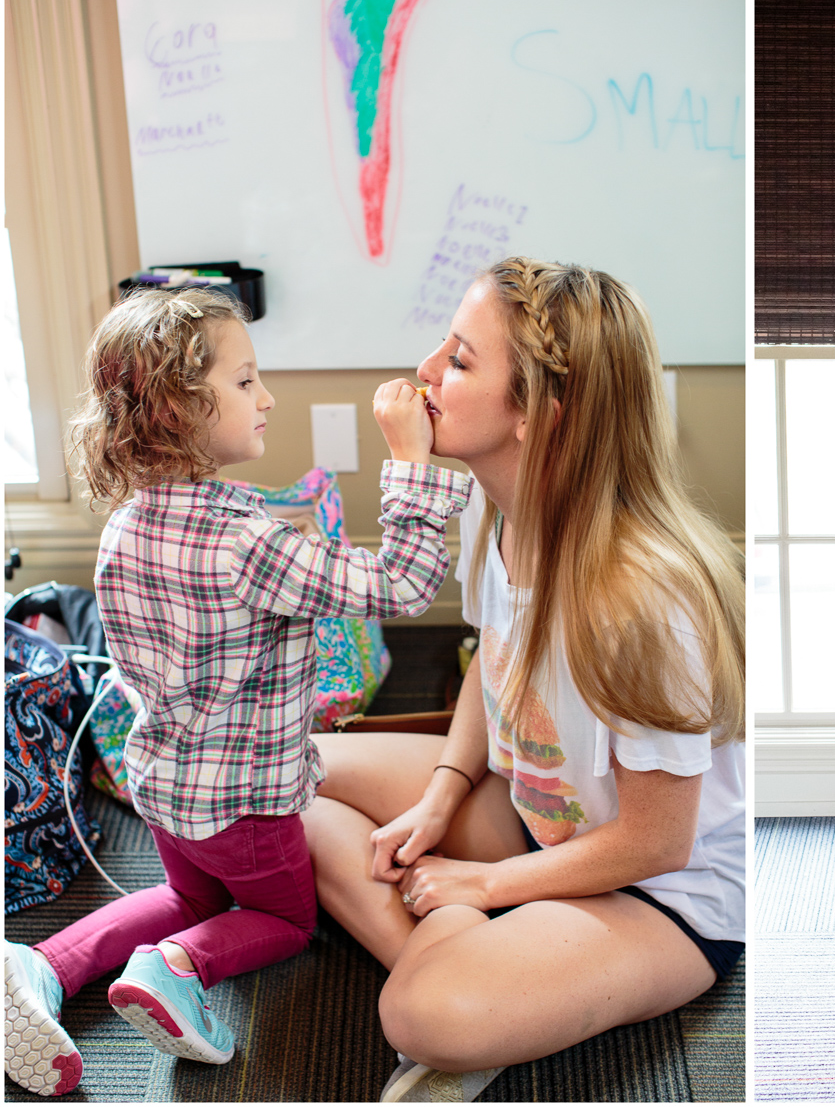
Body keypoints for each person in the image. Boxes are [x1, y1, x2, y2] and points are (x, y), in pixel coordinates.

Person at [3, 286, 470, 1097]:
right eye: (247, 380)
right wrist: (410, 462)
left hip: (166, 791)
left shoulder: (126, 523)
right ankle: (177, 966)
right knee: (285, 921)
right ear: (183, 407)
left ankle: (43, 962)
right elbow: (401, 583)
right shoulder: (249, 541)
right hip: (248, 806)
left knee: (187, 893)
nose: (268, 398)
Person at [303, 257, 746, 1102]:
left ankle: (468, 965)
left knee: (418, 1013)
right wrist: (438, 796)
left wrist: (481, 882)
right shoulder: (489, 509)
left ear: (544, 412)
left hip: (661, 892)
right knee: (291, 777)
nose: (427, 372)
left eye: (462, 361)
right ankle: (481, 952)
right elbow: (491, 668)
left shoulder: (641, 598)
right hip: (542, 817)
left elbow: (660, 840)